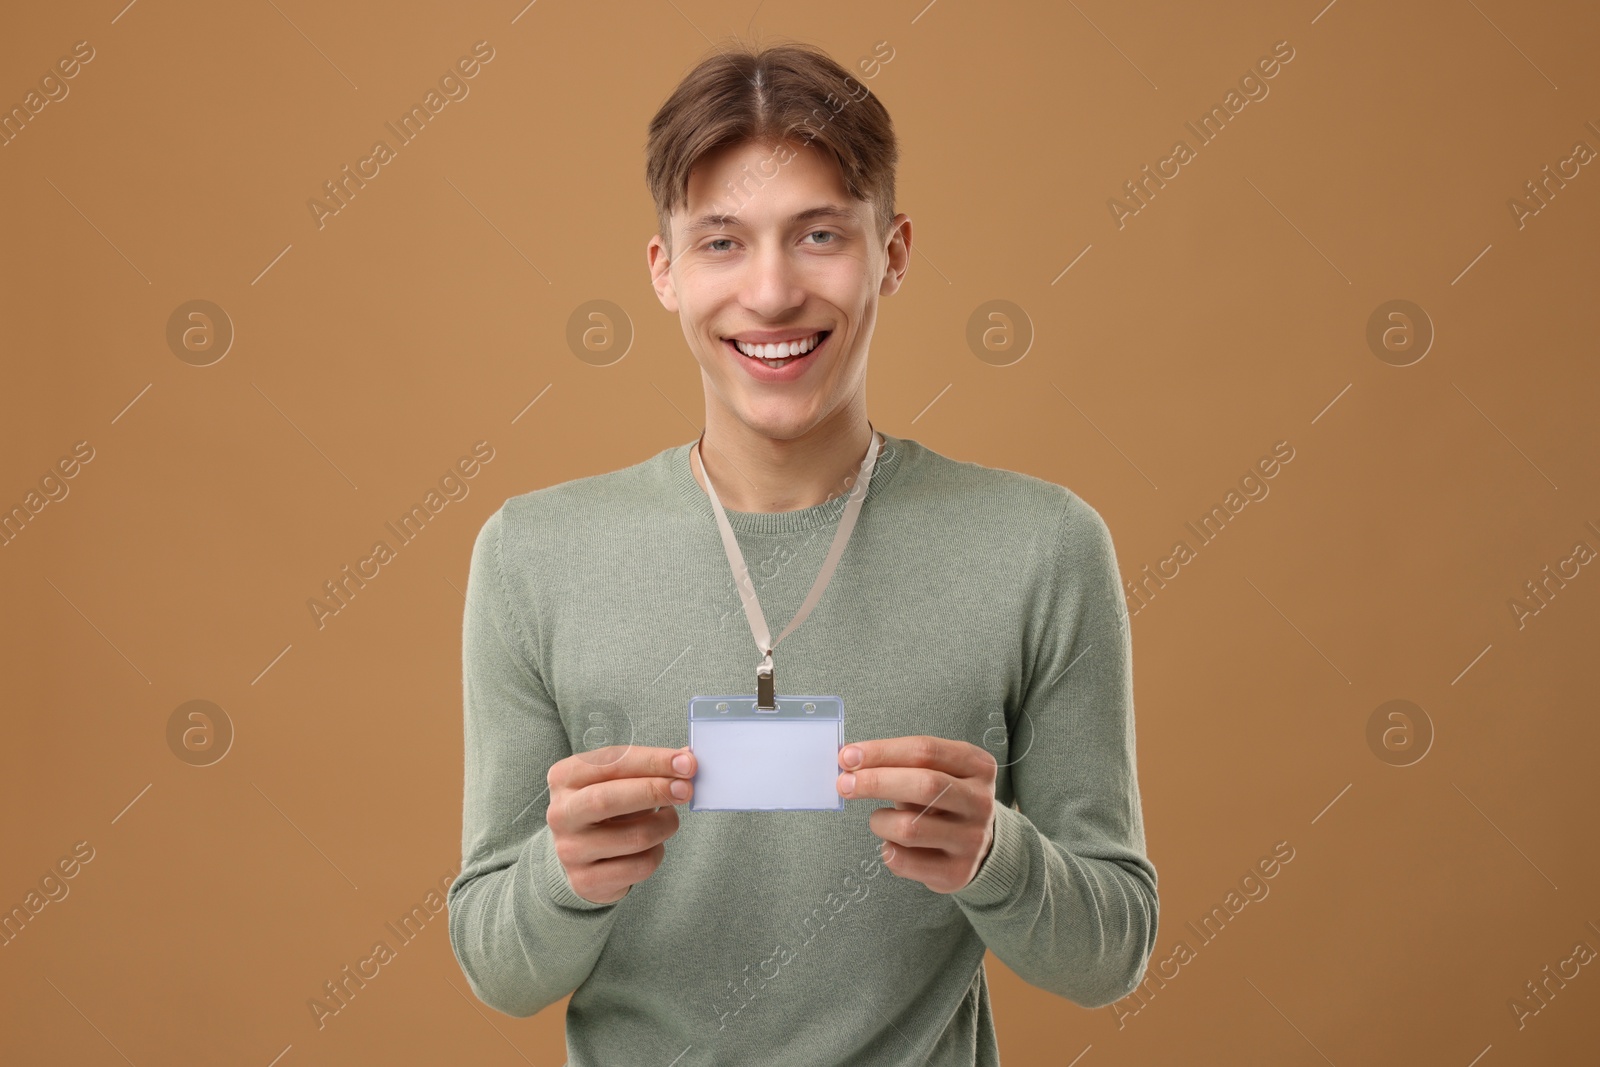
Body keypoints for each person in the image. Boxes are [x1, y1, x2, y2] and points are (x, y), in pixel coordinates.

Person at [447, 37, 1158, 1066]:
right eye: (722, 242)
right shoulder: (531, 555)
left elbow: (1111, 953)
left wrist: (994, 852)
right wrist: (564, 876)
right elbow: (495, 967)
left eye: (818, 234)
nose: (772, 292)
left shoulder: (1041, 546)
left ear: (893, 251)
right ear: (665, 272)